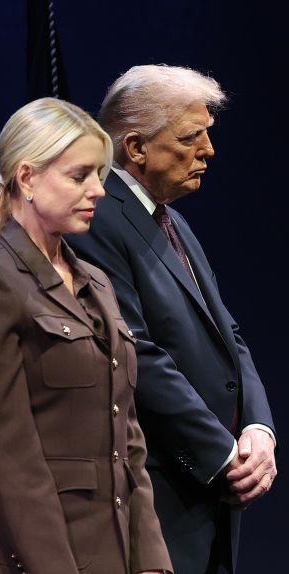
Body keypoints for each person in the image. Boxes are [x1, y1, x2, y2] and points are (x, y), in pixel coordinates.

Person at [0, 98, 173, 574]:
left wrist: (151, 558)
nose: (99, 191)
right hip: (30, 558)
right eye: (79, 176)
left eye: (100, 175)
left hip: (110, 554)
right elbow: (8, 457)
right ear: (27, 178)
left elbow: (129, 443)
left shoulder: (96, 281)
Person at [66, 65, 277, 573]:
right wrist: (222, 456)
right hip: (159, 492)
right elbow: (134, 351)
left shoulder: (171, 218)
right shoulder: (97, 220)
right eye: (191, 136)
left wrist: (258, 430)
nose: (209, 150)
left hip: (211, 490)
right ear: (136, 147)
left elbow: (230, 337)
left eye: (207, 132)